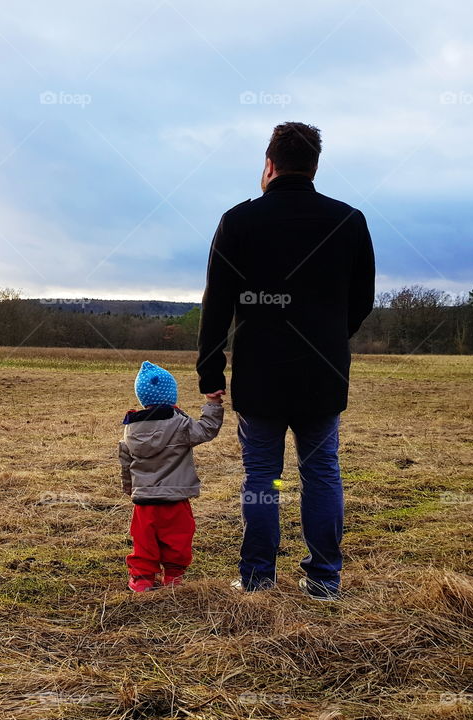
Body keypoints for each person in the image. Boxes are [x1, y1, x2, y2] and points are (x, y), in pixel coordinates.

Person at [197, 122, 375, 601]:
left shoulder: (238, 221)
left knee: (263, 477)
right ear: (314, 167)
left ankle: (257, 578)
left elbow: (217, 305)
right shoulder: (349, 221)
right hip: (323, 373)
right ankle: (324, 581)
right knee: (321, 473)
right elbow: (362, 300)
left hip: (260, 375)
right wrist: (331, 340)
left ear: (269, 165)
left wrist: (209, 372)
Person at [118, 361, 224, 592]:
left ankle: (142, 579)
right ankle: (174, 577)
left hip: (144, 502)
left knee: (144, 540)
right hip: (176, 498)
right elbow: (207, 429)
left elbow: (126, 463)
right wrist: (212, 403)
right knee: (178, 539)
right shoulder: (181, 424)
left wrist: (130, 488)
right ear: (172, 397)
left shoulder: (131, 429)